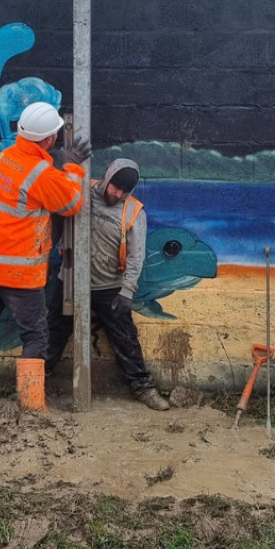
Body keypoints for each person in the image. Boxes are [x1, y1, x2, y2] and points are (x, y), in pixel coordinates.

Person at [0, 101, 91, 412]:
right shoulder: (39, 173)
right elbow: (70, 202)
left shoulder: (2, 158)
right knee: (36, 337)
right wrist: (71, 166)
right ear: (48, 140)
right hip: (18, 273)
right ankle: (33, 409)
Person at [46, 158, 171, 411]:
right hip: (70, 280)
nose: (118, 194)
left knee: (125, 337)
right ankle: (37, 381)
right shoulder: (81, 192)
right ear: (107, 177)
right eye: (115, 187)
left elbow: (136, 256)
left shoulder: (134, 212)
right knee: (53, 331)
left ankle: (143, 387)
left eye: (125, 191)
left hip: (109, 287)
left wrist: (127, 292)